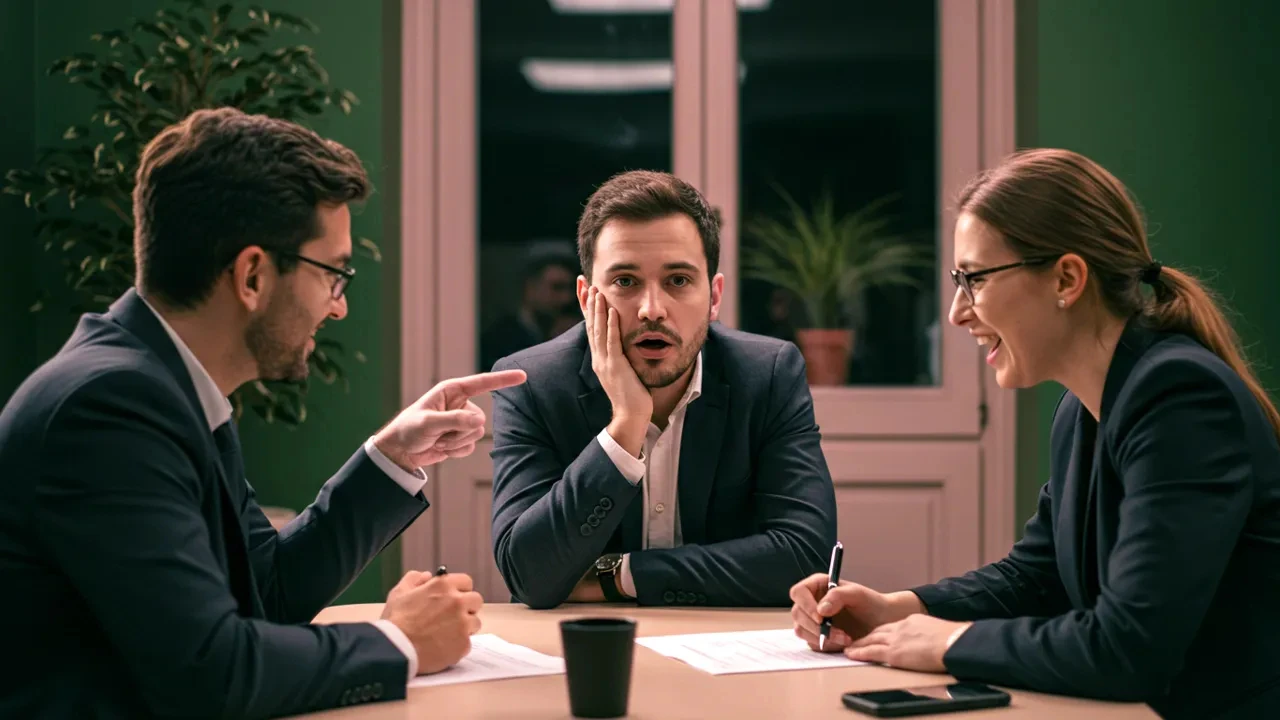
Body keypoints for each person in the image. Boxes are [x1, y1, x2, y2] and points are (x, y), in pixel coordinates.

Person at [0, 107, 526, 718]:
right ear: (252, 275)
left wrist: (392, 458)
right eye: (334, 274)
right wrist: (400, 641)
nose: (338, 309)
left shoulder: (163, 384)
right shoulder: (108, 408)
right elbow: (211, 673)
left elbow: (265, 592)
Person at [789, 148, 1280, 719]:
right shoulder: (1083, 407)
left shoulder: (1181, 398)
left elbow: (1129, 648)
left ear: (1067, 279)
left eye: (973, 279)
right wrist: (899, 608)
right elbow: (1034, 576)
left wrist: (948, 642)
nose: (956, 312)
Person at [488, 169, 837, 610]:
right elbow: (529, 576)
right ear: (585, 298)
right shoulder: (531, 385)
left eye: (677, 280)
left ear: (713, 297)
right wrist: (626, 426)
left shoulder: (767, 374)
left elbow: (806, 560)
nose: (652, 310)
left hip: (726, 653)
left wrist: (622, 575)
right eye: (625, 282)